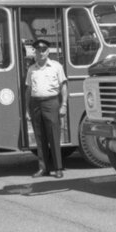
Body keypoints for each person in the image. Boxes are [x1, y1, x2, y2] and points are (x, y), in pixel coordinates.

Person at [25, 38, 68, 178]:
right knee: (40, 137)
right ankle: (43, 168)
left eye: (44, 50)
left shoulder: (56, 66)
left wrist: (63, 105)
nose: (41, 53)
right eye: (38, 50)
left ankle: (58, 168)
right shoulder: (31, 69)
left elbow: (63, 87)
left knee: (54, 136)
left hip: (51, 103)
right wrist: (27, 110)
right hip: (36, 104)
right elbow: (28, 90)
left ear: (48, 51)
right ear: (35, 52)